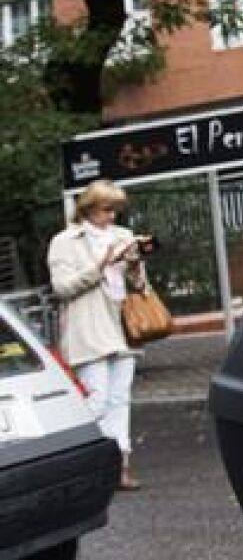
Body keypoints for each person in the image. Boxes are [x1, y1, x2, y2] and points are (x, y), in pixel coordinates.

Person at [47, 179, 149, 491]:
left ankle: (119, 467)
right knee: (97, 401)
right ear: (88, 209)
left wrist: (135, 264)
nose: (112, 216)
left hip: (120, 327)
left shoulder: (123, 236)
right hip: (88, 329)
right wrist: (100, 264)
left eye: (116, 210)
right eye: (106, 209)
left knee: (120, 400)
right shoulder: (65, 241)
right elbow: (62, 288)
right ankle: (80, 467)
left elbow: (139, 286)